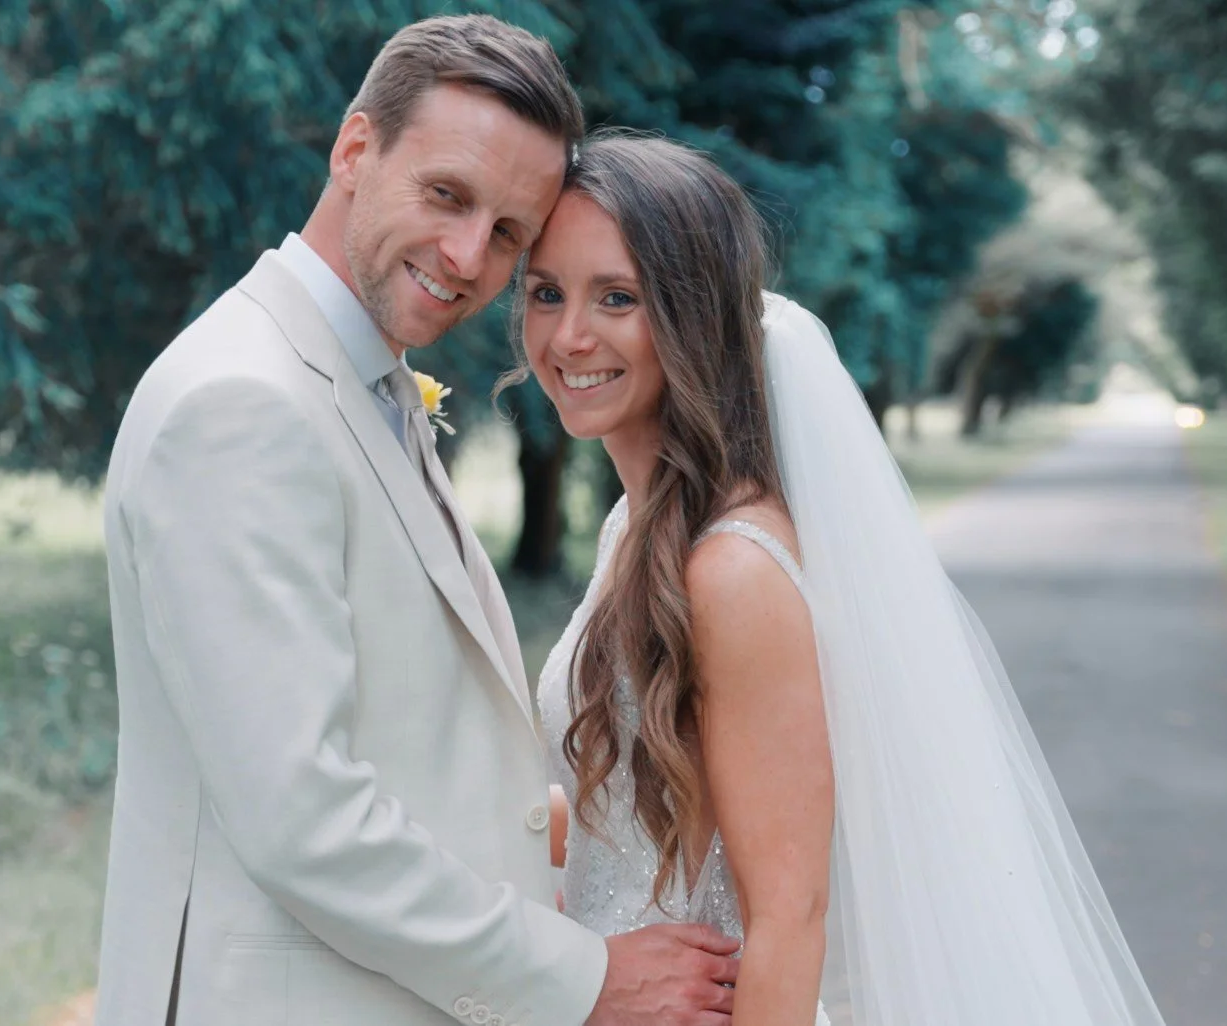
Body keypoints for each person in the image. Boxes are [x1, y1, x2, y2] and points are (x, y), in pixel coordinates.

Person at [95, 18, 740, 1026]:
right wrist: (585, 978)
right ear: (355, 149)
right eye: (448, 195)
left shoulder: (358, 380)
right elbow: (303, 819)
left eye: (509, 233)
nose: (467, 256)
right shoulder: (243, 403)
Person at [523, 131, 1170, 1026]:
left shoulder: (732, 569)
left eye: (618, 297)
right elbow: (629, 818)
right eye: (546, 292)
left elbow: (789, 917)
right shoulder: (635, 526)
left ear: (691, 317)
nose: (569, 335)